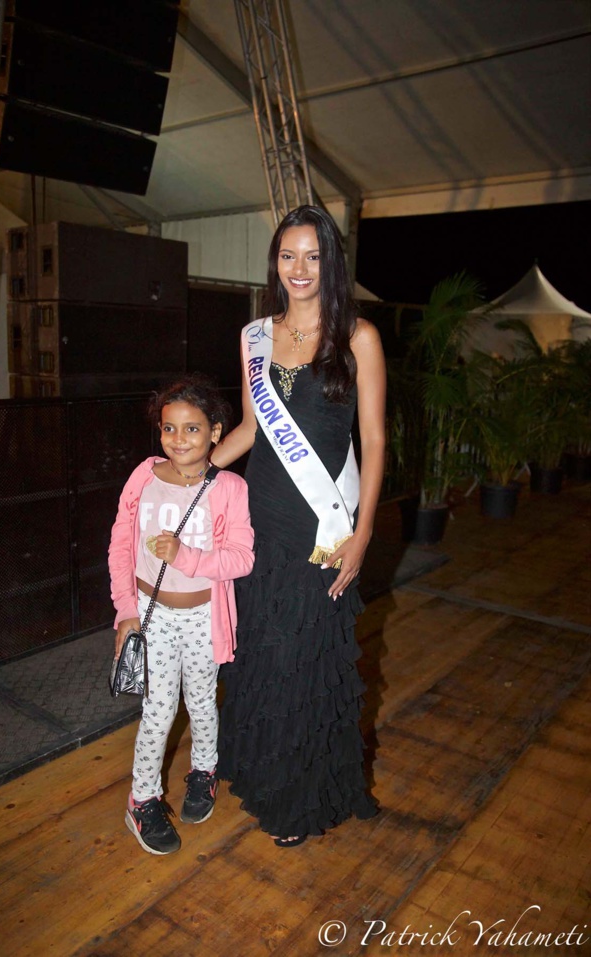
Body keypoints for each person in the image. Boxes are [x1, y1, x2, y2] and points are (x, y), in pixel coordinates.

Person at [213, 205, 386, 847]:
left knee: (301, 663)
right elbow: (253, 432)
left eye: (313, 255)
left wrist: (363, 534)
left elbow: (373, 439)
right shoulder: (255, 335)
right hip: (258, 525)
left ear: (331, 262)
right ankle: (263, 780)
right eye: (289, 255)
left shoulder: (358, 337)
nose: (300, 268)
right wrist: (195, 466)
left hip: (322, 530)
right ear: (275, 262)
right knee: (261, 657)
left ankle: (299, 798)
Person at [108, 374, 254, 855]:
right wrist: (125, 613)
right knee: (158, 710)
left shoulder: (229, 487)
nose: (179, 439)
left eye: (192, 429)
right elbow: (120, 547)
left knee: (202, 701)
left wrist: (186, 556)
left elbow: (242, 558)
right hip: (152, 617)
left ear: (215, 432)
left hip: (201, 616)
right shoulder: (143, 476)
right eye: (169, 428)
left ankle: (204, 771)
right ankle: (142, 799)